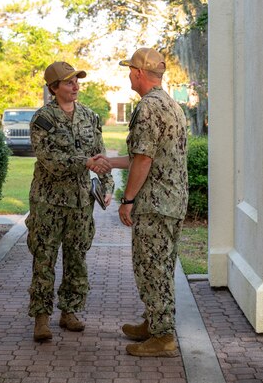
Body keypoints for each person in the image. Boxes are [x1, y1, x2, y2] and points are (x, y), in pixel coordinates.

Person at [100, 47, 188, 357]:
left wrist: (128, 200)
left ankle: (163, 338)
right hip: (172, 202)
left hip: (154, 204)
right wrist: (110, 162)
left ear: (139, 73)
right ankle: (154, 323)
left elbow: (144, 159)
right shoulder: (171, 105)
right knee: (160, 266)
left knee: (151, 267)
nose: (127, 75)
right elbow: (146, 155)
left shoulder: (148, 107)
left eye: (129, 70)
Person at [25, 61, 114, 342]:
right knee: (44, 259)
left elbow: (101, 157)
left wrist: (107, 185)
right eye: (68, 82)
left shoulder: (90, 116)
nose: (75, 86)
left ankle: (70, 311)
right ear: (54, 88)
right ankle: (41, 317)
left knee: (77, 259)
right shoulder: (43, 119)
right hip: (48, 203)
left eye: (77, 81)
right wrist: (84, 162)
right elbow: (48, 159)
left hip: (80, 203)